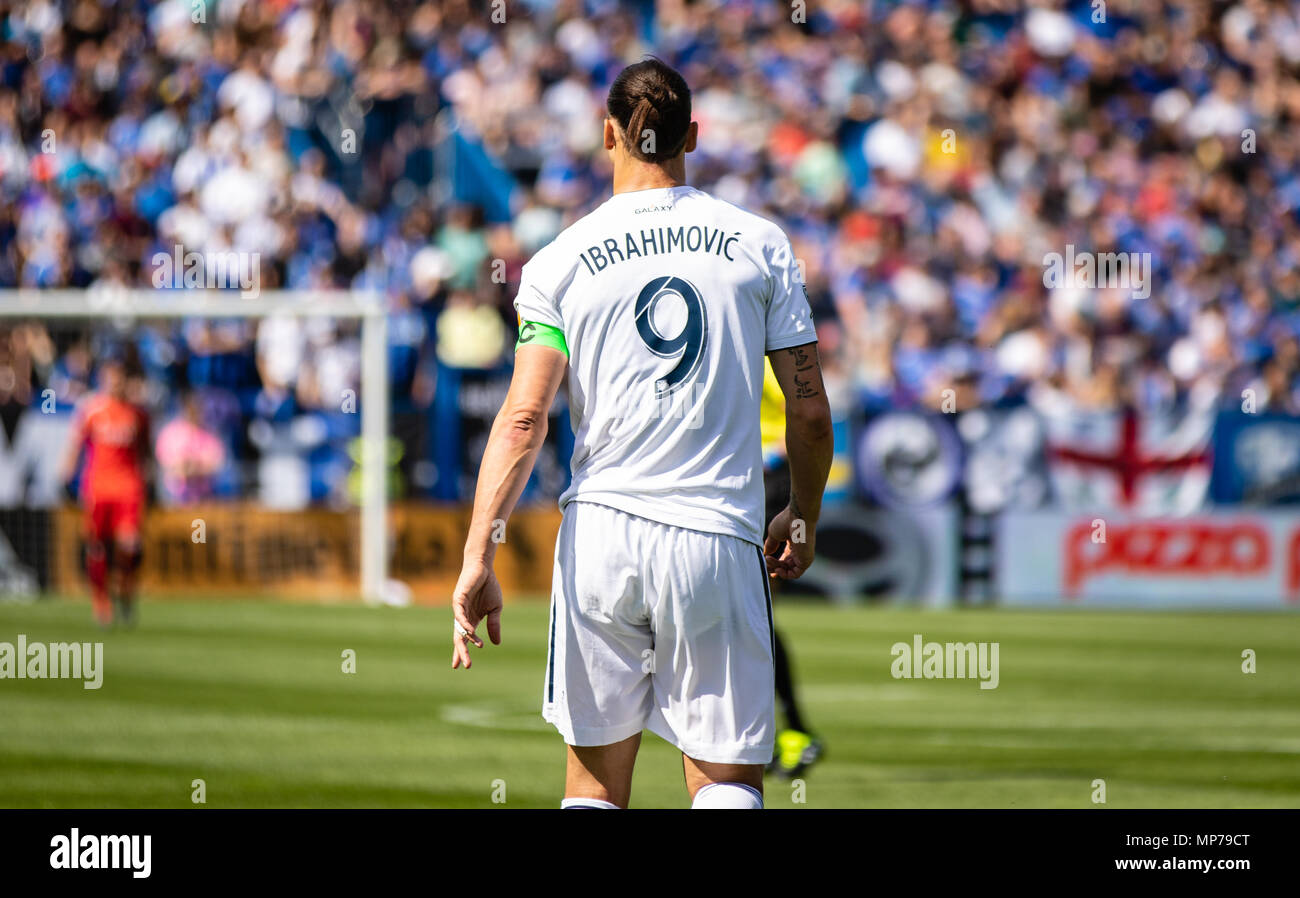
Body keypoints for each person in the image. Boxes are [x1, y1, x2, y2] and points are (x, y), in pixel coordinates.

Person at [449, 57, 833, 809]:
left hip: (601, 536)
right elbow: (811, 410)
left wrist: (477, 551)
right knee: (725, 783)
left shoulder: (558, 261)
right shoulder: (759, 243)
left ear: (607, 134)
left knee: (593, 790)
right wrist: (805, 514)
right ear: (694, 133)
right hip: (718, 536)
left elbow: (524, 417)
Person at [759, 358, 825, 779]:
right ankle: (789, 733)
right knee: (756, 613)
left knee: (758, 610)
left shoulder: (764, 351)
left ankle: (793, 734)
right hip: (751, 479)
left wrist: (764, 453)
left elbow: (804, 414)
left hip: (768, 478)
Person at [59, 356, 150, 628]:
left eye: (119, 377)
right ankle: (101, 601)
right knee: (96, 547)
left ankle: (125, 589)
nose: (115, 383)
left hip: (128, 487)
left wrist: (151, 481)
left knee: (129, 545)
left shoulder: (138, 414)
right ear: (102, 379)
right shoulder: (90, 410)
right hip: (97, 487)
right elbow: (75, 446)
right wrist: (66, 475)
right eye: (110, 377)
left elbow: (145, 451)